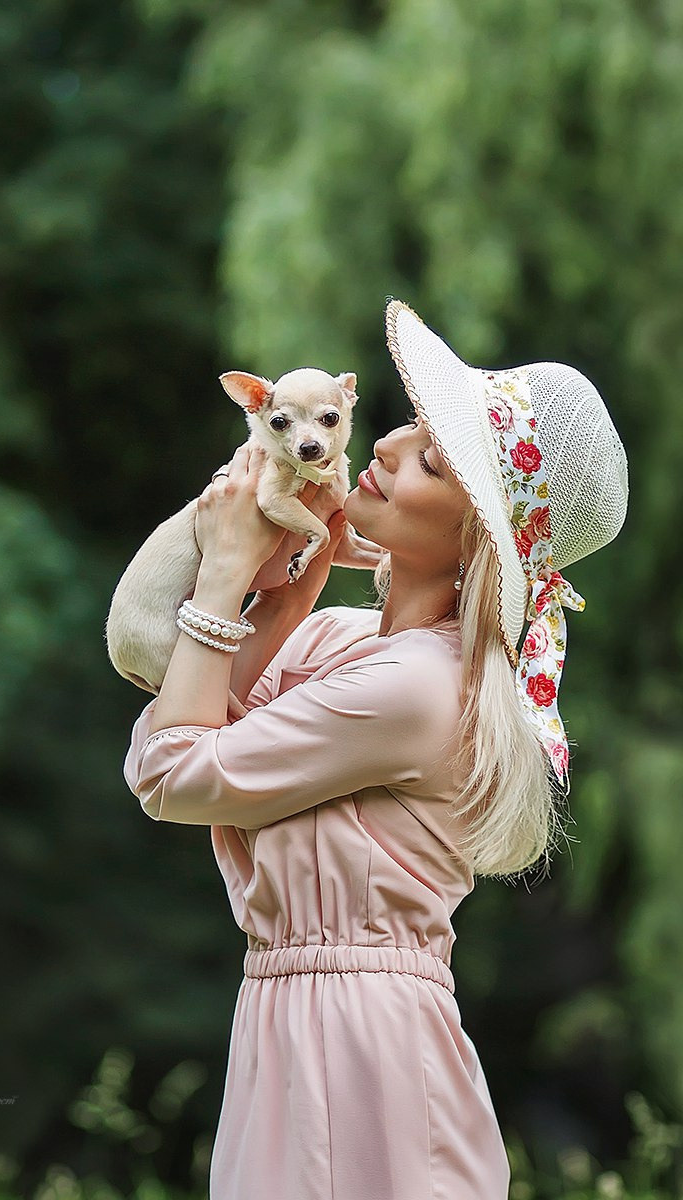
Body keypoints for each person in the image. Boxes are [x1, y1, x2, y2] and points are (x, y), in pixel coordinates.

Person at [122, 299, 629, 1200]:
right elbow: (185, 721)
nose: (388, 446)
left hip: (359, 1047)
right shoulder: (343, 642)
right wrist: (289, 593)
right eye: (408, 428)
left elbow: (173, 772)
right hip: (289, 1021)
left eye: (432, 460)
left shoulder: (415, 686)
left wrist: (228, 574)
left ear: (474, 537)